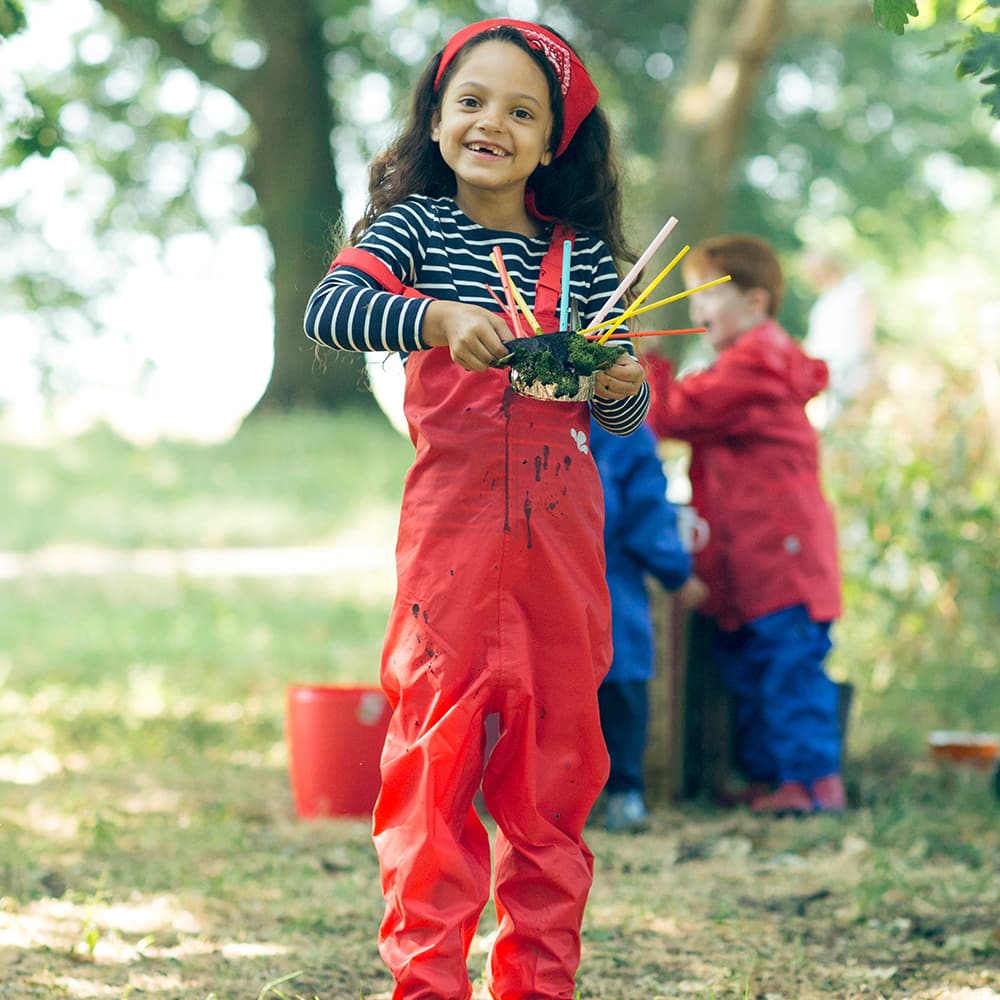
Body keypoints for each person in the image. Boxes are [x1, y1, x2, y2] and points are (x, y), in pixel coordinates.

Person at [303, 19, 648, 999]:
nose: (491, 121)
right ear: (436, 117)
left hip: (560, 548)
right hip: (450, 548)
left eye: (520, 110)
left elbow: (622, 417)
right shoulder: (413, 230)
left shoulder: (580, 259)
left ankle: (537, 984)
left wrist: (619, 377)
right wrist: (434, 316)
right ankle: (427, 984)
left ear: (552, 143)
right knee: (432, 769)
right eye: (471, 101)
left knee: (554, 773)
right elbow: (328, 310)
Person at [642, 234, 846, 816]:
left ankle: (812, 783)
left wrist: (642, 363)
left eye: (706, 295)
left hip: (784, 559)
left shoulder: (759, 362)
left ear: (755, 303)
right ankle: (774, 779)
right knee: (756, 668)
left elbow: (675, 412)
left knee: (788, 668)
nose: (695, 310)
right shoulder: (746, 362)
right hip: (759, 555)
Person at [590, 418, 708, 832]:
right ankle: (624, 797)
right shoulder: (624, 427)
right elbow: (646, 514)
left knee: (557, 693)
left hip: (550, 576)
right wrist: (676, 573)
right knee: (622, 681)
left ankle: (557, 803)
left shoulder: (528, 406)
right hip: (610, 579)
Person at [801, 247, 876, 426]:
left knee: (849, 425)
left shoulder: (854, 289)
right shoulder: (824, 298)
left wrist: (868, 364)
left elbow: (866, 329)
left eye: (814, 271)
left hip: (850, 371)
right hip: (826, 375)